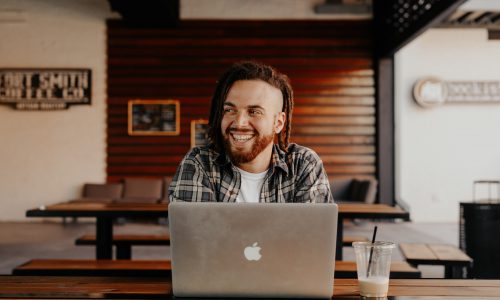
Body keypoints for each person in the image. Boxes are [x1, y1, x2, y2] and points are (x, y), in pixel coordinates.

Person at [169, 61, 333, 203]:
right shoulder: (199, 163)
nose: (239, 123)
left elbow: (312, 238)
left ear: (278, 123)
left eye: (254, 111)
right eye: (229, 110)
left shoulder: (303, 165)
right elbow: (196, 237)